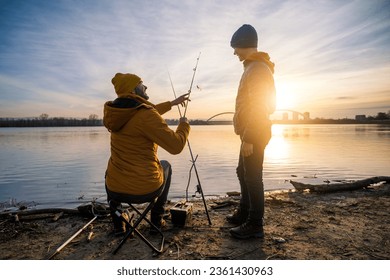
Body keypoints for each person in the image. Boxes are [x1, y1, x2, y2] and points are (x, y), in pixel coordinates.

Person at [103, 72, 190, 235]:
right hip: (146, 188)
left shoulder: (117, 114)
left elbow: (146, 114)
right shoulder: (145, 115)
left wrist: (172, 103)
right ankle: (156, 221)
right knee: (166, 165)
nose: (146, 86)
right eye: (142, 84)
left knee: (111, 171)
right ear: (133, 90)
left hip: (116, 188)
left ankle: (119, 224)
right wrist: (183, 126)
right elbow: (176, 146)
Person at [227, 24, 276, 239]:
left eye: (235, 47)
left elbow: (259, 106)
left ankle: (255, 224)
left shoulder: (257, 69)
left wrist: (249, 138)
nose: (234, 52)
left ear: (243, 44)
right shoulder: (252, 67)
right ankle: (244, 212)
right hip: (250, 131)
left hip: (254, 133)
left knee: (253, 177)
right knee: (243, 172)